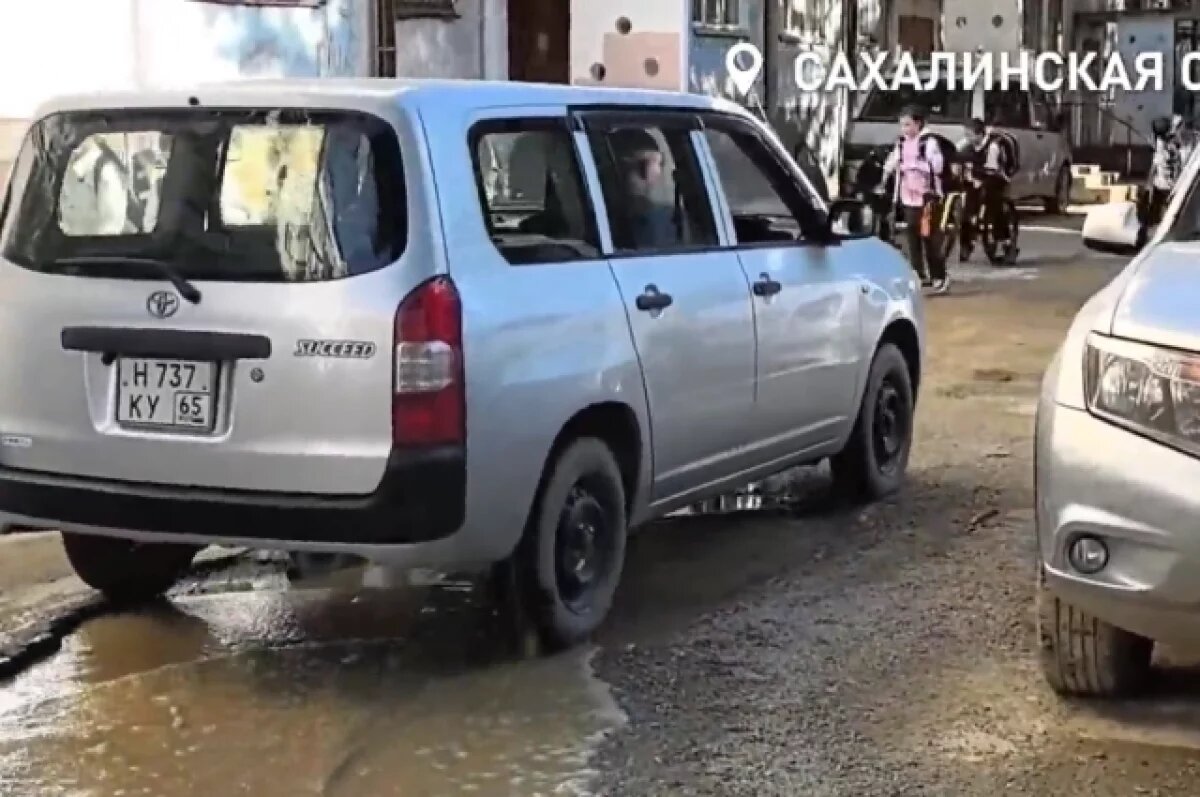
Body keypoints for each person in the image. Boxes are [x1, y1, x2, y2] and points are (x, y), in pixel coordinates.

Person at [880, 105, 948, 293]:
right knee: (912, 236)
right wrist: (885, 176)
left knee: (930, 238)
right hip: (909, 197)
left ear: (918, 124)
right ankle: (919, 273)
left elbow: (938, 167)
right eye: (902, 125)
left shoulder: (929, 143)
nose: (905, 129)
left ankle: (939, 276)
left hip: (928, 198)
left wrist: (915, 165)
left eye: (908, 125)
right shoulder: (901, 143)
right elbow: (892, 162)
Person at [609, 127, 678, 249]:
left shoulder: (663, 220)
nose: (651, 174)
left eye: (656, 164)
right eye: (641, 166)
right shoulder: (604, 224)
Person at [957, 118, 1011, 262]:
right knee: (967, 211)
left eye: (970, 135)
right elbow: (957, 157)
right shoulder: (967, 145)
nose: (967, 138)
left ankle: (1003, 239)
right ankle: (966, 243)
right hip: (975, 178)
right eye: (966, 134)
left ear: (980, 134)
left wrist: (978, 179)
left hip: (995, 176)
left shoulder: (993, 146)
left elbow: (992, 169)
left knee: (994, 204)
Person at [1141, 116, 1181, 230]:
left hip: (1161, 185)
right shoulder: (1173, 146)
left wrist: (1148, 184)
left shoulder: (1161, 148)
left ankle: (1154, 227)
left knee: (1156, 212)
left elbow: (1154, 167)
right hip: (1173, 185)